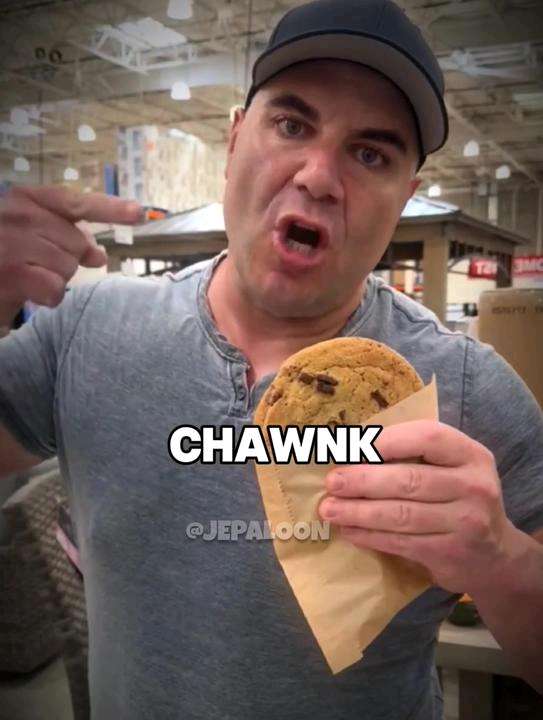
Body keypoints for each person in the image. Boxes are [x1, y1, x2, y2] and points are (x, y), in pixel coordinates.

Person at [0, 0, 542, 717]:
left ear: (405, 200)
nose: (318, 176)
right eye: (291, 125)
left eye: (370, 154)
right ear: (234, 140)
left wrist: (501, 560)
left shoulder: (467, 389)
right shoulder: (86, 333)